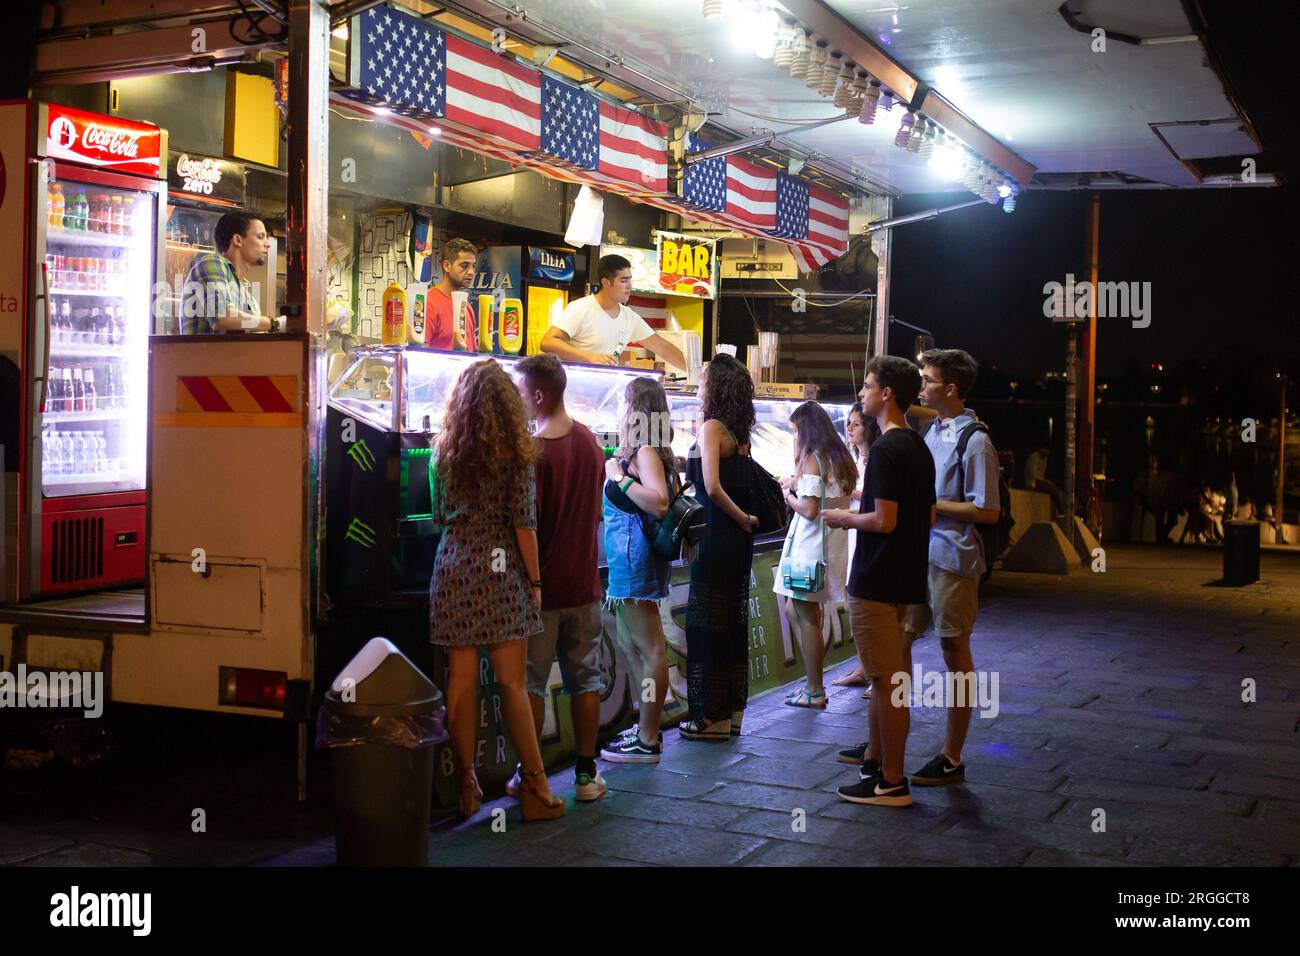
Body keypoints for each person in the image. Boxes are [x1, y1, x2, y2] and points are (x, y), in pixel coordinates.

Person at [429, 359, 563, 822]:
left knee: (460, 681)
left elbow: (436, 514)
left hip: (452, 565)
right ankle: (536, 787)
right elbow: (524, 525)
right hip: (501, 567)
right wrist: (537, 582)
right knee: (513, 681)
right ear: (507, 404)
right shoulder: (516, 454)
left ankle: (466, 786)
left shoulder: (442, 452)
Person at [823, 356, 935, 807]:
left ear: (887, 393)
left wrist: (843, 517)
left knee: (887, 682)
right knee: (889, 679)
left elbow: (885, 521)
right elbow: (923, 517)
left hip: (877, 578)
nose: (863, 393)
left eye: (868, 386)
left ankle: (891, 780)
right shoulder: (918, 446)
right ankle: (877, 764)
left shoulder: (888, 449)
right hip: (906, 578)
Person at [896, 348, 1001, 787]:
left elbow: (988, 509)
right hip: (922, 553)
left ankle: (952, 755)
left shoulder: (974, 440)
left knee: (954, 652)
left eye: (928, 380)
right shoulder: (933, 429)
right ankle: (885, 737)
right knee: (898, 641)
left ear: (951, 389)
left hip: (953, 558)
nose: (921, 386)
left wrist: (933, 507)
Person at [513, 354, 608, 801]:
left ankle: (529, 775)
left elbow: (526, 526)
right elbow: (594, 516)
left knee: (530, 683)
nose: (518, 403)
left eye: (519, 394)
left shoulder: (533, 454)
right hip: (585, 585)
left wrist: (530, 582)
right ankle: (587, 775)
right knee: (585, 679)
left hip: (542, 591)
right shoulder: (591, 443)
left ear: (538, 395)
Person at [680, 353, 758, 740]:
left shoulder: (711, 428)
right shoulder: (739, 432)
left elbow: (711, 486)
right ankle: (732, 711)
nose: (698, 385)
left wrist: (740, 517)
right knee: (731, 622)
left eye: (703, 380)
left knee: (706, 625)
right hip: (738, 542)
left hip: (717, 535)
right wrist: (744, 521)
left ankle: (710, 718)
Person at [599, 377, 675, 763]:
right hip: (626, 559)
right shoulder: (644, 450)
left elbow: (659, 503)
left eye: (624, 401)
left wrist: (619, 477)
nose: (619, 408)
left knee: (650, 650)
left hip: (634, 559)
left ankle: (648, 738)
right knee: (632, 645)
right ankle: (643, 726)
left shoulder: (644, 452)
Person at [773, 402, 857, 708]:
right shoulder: (840, 458)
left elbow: (809, 509)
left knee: (804, 615)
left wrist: (787, 495)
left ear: (805, 430)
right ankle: (812, 684)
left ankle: (815, 689)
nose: (794, 437)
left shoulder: (811, 459)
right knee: (797, 611)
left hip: (809, 552)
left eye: (795, 431)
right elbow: (826, 494)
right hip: (829, 549)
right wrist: (796, 483)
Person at [541, 254, 688, 370]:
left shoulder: (629, 317)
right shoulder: (580, 308)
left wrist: (699, 374)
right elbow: (548, 342)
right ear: (606, 282)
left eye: (630, 280)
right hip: (574, 391)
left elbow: (663, 348)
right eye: (623, 281)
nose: (629, 286)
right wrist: (589, 357)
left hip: (607, 392)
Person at [831, 403, 879, 692]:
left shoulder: (877, 458)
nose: (850, 429)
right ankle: (863, 667)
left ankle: (877, 673)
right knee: (852, 603)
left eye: (857, 424)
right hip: (850, 533)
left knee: (868, 606)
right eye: (849, 423)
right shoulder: (853, 457)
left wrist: (851, 491)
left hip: (866, 532)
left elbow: (874, 498)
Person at [181, 212, 282, 334]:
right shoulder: (211, 263)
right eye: (260, 237)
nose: (268, 244)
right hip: (206, 353)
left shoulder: (248, 297)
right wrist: (274, 324)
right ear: (237, 240)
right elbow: (222, 318)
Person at [426, 238, 477, 350]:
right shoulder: (429, 303)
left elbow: (471, 354)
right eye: (464, 265)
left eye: (473, 266)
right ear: (447, 266)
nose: (471, 272)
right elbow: (417, 354)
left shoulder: (467, 307)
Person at [1024, 443, 1063, 517]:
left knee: (1056, 491)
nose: (1047, 452)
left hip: (1040, 482)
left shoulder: (1045, 459)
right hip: (1033, 483)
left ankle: (1056, 514)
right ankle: (1062, 511)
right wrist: (1046, 481)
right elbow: (1033, 475)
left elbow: (1042, 474)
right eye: (1046, 450)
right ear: (1042, 449)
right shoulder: (1034, 457)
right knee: (1054, 490)